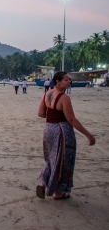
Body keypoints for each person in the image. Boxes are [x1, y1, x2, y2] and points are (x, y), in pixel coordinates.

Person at [36, 71, 95, 200]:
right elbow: (72, 120)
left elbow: (40, 113)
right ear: (58, 82)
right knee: (62, 160)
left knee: (50, 159)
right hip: (61, 131)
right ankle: (58, 192)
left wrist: (53, 116)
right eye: (67, 80)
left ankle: (43, 183)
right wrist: (88, 135)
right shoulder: (64, 97)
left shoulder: (47, 94)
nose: (69, 82)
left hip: (48, 129)